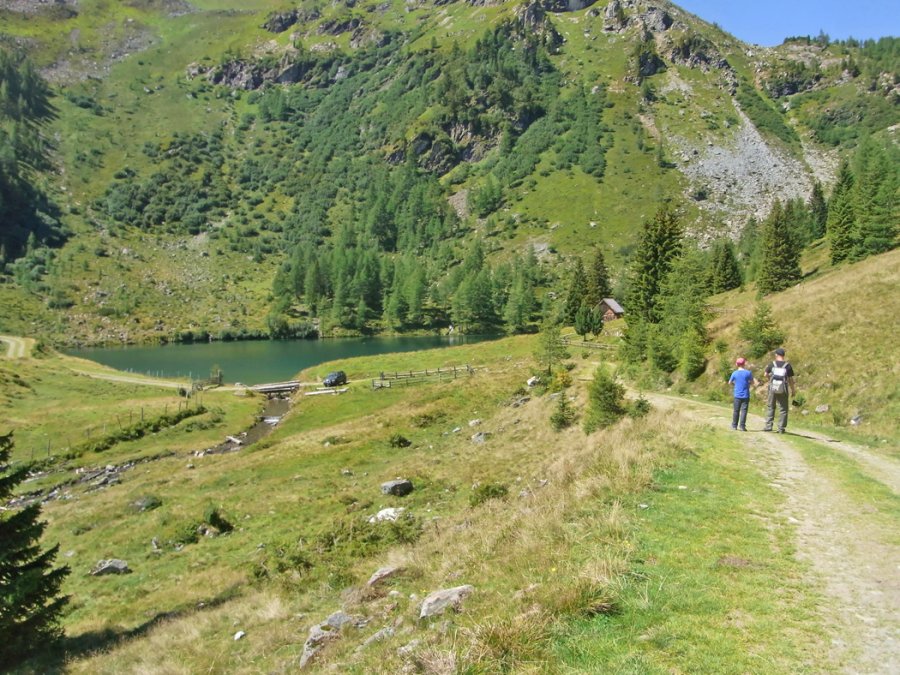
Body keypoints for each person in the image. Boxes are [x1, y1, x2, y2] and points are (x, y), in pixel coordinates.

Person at [764, 348, 796, 433]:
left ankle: (768, 426)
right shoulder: (787, 365)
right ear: (783, 355)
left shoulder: (772, 364)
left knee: (771, 406)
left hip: (773, 388)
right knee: (783, 409)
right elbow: (790, 380)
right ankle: (781, 428)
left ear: (776, 355)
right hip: (783, 389)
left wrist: (770, 380)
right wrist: (793, 390)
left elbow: (765, 374)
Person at [727, 357, 755, 431]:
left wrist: (735, 384)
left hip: (737, 394)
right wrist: (747, 383)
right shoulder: (748, 373)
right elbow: (752, 382)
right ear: (744, 364)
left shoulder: (734, 373)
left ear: (737, 364)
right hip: (746, 394)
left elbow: (729, 382)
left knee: (736, 410)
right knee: (744, 411)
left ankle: (734, 425)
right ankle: (742, 426)